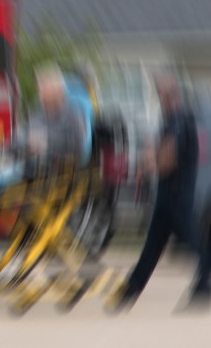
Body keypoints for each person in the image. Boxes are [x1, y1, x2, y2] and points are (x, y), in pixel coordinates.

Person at [107, 72, 210, 312]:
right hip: (168, 195)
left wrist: (150, 163)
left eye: (160, 93)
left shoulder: (179, 120)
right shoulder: (173, 119)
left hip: (177, 195)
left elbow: (169, 156)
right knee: (153, 245)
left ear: (170, 94)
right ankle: (130, 290)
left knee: (193, 243)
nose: (159, 97)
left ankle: (204, 284)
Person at [27, 66, 84, 170]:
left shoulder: (71, 114)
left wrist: (44, 139)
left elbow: (76, 144)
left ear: (58, 91)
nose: (41, 92)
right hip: (34, 166)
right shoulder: (36, 112)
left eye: (45, 88)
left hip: (59, 168)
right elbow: (27, 135)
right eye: (40, 87)